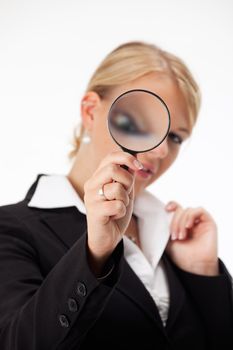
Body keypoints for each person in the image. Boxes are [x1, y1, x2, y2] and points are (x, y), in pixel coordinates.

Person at [0, 41, 232, 350]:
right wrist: (94, 254)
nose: (162, 150)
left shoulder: (173, 239)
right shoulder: (12, 229)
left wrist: (204, 273)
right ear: (91, 111)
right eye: (146, 121)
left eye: (176, 136)